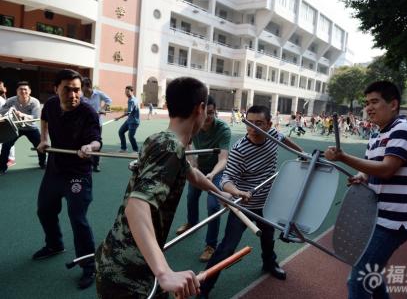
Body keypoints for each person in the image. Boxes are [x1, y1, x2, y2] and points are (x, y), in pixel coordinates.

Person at [96, 77, 230, 298]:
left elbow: (192, 173)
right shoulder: (170, 147)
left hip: (124, 261)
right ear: (201, 108)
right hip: (129, 274)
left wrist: (219, 192)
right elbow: (136, 205)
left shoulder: (160, 139)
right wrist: (164, 272)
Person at [324, 81, 407, 299]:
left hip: (394, 220)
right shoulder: (377, 134)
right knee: (373, 274)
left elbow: (387, 169)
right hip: (377, 216)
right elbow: (371, 167)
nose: (369, 107)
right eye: (366, 103)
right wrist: (361, 176)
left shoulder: (404, 129)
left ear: (393, 104)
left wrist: (343, 157)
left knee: (358, 280)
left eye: (374, 102)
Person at [198, 105, 303, 298]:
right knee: (228, 247)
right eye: (249, 123)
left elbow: (283, 138)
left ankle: (269, 263)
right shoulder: (240, 149)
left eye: (259, 124)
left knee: (268, 237)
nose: (253, 128)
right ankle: (204, 288)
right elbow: (226, 180)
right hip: (243, 206)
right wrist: (238, 191)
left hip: (267, 202)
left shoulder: (272, 135)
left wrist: (301, 153)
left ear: (269, 124)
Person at [34, 69, 101, 289]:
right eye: (68, 89)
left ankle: (89, 265)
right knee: (45, 209)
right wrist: (44, 139)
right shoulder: (51, 104)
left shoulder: (88, 112)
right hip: (55, 168)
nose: (73, 95)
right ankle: (54, 245)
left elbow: (96, 141)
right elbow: (44, 118)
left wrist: (89, 147)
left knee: (77, 218)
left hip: (78, 173)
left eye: (77, 90)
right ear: (56, 89)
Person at [176, 95, 231, 262]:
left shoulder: (223, 129)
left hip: (217, 171)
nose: (207, 117)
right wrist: (193, 165)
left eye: (212, 113)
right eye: (204, 113)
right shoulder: (194, 124)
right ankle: (192, 222)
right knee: (192, 196)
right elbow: (186, 146)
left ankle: (210, 245)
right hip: (198, 167)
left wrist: (212, 174)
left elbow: (223, 159)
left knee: (213, 205)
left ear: (216, 112)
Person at [0, 81, 46, 174]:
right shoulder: (11, 100)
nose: (23, 91)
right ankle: (2, 167)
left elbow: (35, 117)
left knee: (40, 146)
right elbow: (2, 111)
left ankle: (42, 163)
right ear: (17, 91)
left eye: (25, 89)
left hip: (31, 128)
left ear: (29, 91)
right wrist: (11, 110)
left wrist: (22, 114)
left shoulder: (34, 102)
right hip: (16, 127)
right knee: (6, 145)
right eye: (20, 89)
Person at [81, 77, 112, 172]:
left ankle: (96, 164)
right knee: (86, 143)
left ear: (88, 86)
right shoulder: (81, 97)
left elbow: (109, 100)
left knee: (96, 143)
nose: (82, 89)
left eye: (83, 87)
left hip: (97, 123)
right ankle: (87, 163)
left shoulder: (98, 94)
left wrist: (103, 110)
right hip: (85, 124)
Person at [116, 85, 140, 152]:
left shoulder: (131, 100)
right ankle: (124, 148)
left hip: (134, 122)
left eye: (128, 92)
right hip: (129, 120)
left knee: (131, 136)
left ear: (132, 91)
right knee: (121, 132)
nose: (126, 93)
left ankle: (136, 151)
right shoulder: (133, 98)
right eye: (125, 92)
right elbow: (130, 110)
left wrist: (118, 117)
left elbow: (128, 112)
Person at [0, 80, 15, 167]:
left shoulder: (2, 100)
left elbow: (6, 111)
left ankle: (11, 159)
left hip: (5, 122)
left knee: (7, 139)